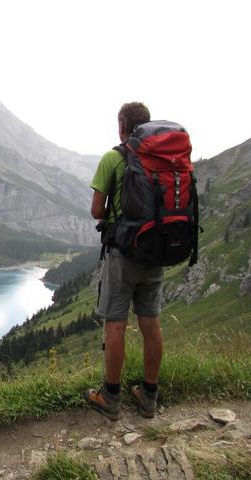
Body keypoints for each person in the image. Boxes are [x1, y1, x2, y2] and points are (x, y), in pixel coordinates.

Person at [84, 102, 163, 421]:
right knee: (150, 323)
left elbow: (96, 211)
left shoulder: (113, 158)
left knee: (116, 324)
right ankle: (148, 395)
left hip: (124, 252)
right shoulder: (162, 160)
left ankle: (111, 397)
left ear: (122, 126)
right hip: (157, 251)